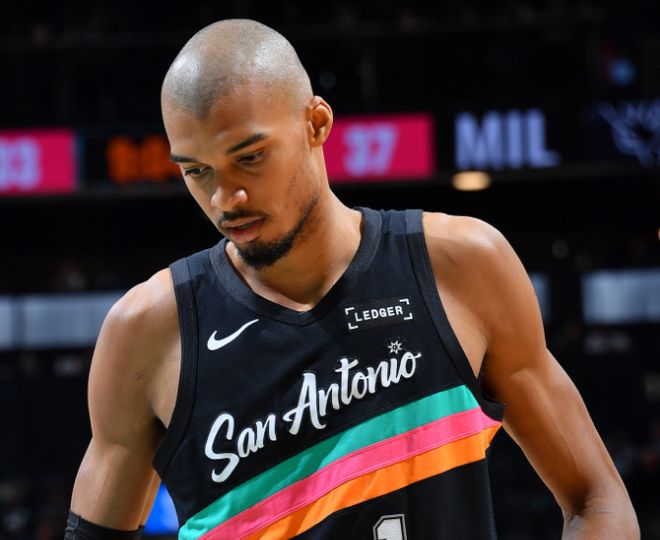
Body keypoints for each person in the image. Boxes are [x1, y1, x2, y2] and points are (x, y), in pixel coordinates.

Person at [66, 19, 639, 540]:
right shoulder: (146, 332)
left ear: (316, 123)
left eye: (251, 157)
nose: (225, 198)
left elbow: (597, 500)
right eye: (197, 171)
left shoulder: (461, 265)